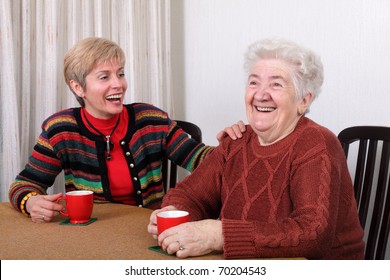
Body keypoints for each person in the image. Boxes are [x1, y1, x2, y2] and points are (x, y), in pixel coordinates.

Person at [147, 38, 365, 260]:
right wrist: (175, 214)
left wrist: (218, 235)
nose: (261, 94)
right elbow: (189, 194)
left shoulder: (316, 143)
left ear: (303, 100)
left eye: (276, 84)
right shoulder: (236, 140)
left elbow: (312, 234)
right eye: (254, 83)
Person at [8, 37, 244, 223]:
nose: (118, 84)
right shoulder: (60, 129)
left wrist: (233, 146)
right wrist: (30, 202)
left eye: (120, 73)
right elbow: (24, 185)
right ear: (78, 87)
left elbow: (201, 160)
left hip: (148, 227)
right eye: (104, 77)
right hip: (91, 232)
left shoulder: (151, 119)